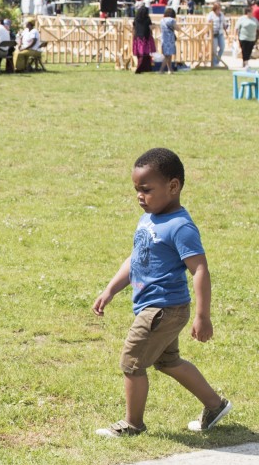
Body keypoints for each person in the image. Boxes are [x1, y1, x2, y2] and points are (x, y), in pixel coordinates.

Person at [91, 147, 230, 437]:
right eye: (136, 190)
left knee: (131, 363)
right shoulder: (150, 218)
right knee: (168, 362)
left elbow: (200, 270)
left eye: (146, 190)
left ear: (173, 186)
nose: (140, 196)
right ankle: (215, 405)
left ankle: (132, 424)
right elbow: (135, 259)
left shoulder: (180, 227)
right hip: (157, 307)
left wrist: (203, 316)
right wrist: (110, 290)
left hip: (163, 308)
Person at [131, 0, 155, 74]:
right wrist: (155, 26)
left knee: (139, 53)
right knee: (145, 53)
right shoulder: (147, 19)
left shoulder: (136, 19)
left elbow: (133, 27)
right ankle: (141, 68)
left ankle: (143, 67)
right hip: (145, 38)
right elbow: (151, 27)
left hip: (137, 37)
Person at [157, 8, 178, 74]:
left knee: (168, 55)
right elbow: (177, 28)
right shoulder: (172, 20)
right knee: (168, 56)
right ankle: (161, 70)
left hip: (164, 39)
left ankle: (170, 69)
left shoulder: (162, 20)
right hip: (170, 39)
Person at [208, 1, 228, 69]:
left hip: (220, 33)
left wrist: (226, 27)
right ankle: (214, 62)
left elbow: (224, 23)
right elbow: (208, 23)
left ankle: (217, 61)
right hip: (213, 33)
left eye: (220, 8)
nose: (219, 10)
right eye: (218, 8)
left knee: (222, 47)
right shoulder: (211, 14)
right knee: (214, 49)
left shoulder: (221, 14)